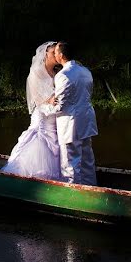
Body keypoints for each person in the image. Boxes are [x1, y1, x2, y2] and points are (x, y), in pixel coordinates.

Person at [1, 42, 62, 180]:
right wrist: (51, 99)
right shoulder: (35, 72)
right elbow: (37, 98)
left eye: (57, 53)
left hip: (54, 117)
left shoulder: (57, 72)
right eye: (53, 53)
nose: (56, 56)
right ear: (45, 54)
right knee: (39, 148)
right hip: (42, 117)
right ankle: (31, 178)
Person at [53, 42, 98, 185]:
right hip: (86, 120)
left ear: (61, 55)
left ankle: (73, 193)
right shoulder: (85, 71)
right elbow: (87, 94)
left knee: (70, 162)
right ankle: (92, 188)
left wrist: (46, 108)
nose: (54, 55)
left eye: (55, 52)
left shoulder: (63, 75)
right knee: (87, 160)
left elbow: (61, 105)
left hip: (70, 123)